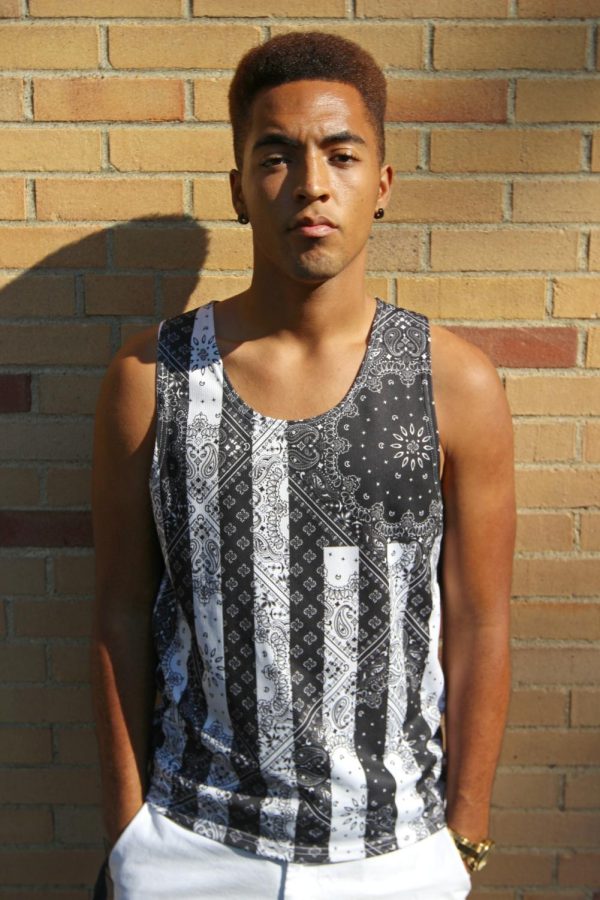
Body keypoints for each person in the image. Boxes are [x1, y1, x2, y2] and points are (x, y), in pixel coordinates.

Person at [91, 31, 514, 900]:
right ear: (240, 189)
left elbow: (479, 619)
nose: (312, 184)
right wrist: (130, 829)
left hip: (394, 850)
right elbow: (120, 609)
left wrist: (462, 838)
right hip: (192, 844)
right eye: (276, 156)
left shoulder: (453, 382)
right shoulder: (151, 380)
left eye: (342, 154)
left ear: (382, 186)